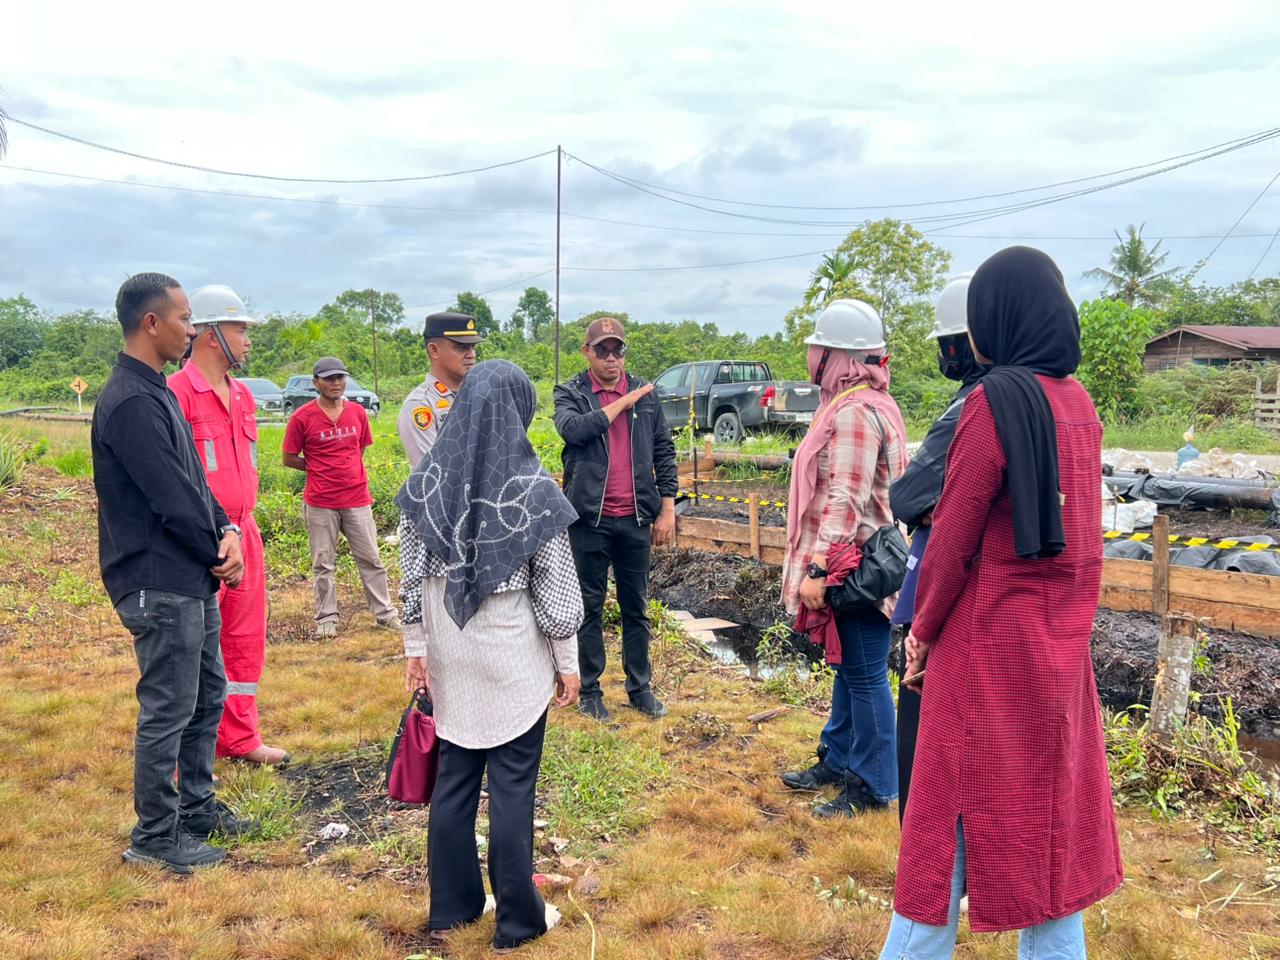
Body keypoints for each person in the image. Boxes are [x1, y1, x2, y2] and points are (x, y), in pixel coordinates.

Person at [881, 247, 1123, 958]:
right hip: (1057, 653)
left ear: (1000, 319)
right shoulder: (1079, 405)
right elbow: (1085, 545)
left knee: (944, 826)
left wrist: (922, 629)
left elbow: (952, 540)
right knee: (1052, 835)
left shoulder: (992, 403)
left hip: (983, 651)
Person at [397, 360, 583, 951]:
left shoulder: (427, 482)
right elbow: (556, 591)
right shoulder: (533, 489)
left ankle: (452, 906)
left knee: (454, 781)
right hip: (510, 657)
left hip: (450, 652)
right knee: (511, 785)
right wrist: (569, 661)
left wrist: (416, 649)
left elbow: (410, 575)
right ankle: (518, 921)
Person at [92, 273, 254, 873]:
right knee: (168, 707)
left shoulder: (155, 390)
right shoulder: (131, 400)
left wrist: (229, 530)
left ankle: (197, 808)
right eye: (185, 318)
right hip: (158, 581)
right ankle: (155, 836)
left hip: (189, 576)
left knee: (206, 694)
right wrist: (218, 547)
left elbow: (194, 485)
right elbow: (167, 497)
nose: (192, 328)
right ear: (150, 323)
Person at [779, 299, 908, 818]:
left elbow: (845, 498)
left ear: (838, 354)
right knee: (849, 665)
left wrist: (816, 570)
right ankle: (837, 756)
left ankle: (875, 785)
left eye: (818, 347)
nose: (811, 357)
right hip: (855, 559)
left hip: (852, 563)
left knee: (866, 672)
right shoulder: (863, 401)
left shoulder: (855, 412)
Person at [168, 284, 289, 767]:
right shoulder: (176, 394)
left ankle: (238, 737)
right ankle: (184, 754)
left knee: (243, 639)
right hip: (200, 541)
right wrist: (213, 533)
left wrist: (241, 528)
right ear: (212, 334)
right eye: (241, 329)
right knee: (192, 646)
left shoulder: (241, 395)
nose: (248, 340)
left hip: (246, 531)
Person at [886, 274, 986, 823]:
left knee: (925, 746)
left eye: (950, 342)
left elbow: (909, 493)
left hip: (945, 602)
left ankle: (929, 874)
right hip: (976, 603)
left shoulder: (976, 404)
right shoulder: (1040, 396)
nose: (946, 354)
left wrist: (933, 504)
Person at [553, 316, 678, 721]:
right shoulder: (571, 392)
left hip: (636, 518)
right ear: (587, 352)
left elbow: (664, 450)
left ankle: (639, 688)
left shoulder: (648, 395)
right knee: (588, 606)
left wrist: (667, 507)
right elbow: (573, 431)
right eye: (602, 350)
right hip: (590, 519)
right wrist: (623, 403)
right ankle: (589, 690)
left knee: (636, 607)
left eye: (617, 349)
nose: (611, 358)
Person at [283, 357, 400, 639]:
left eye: (340, 377)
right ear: (316, 383)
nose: (335, 383)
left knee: (371, 558)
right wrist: (318, 467)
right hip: (321, 501)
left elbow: (360, 448)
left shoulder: (357, 413)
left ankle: (385, 614)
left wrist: (345, 469)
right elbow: (289, 457)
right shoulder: (302, 417)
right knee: (323, 563)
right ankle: (327, 620)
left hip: (357, 498)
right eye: (328, 378)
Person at [398, 311, 485, 470]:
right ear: (434, 350)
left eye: (473, 347)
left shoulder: (479, 396)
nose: (471, 355)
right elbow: (432, 473)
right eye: (461, 347)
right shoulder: (421, 405)